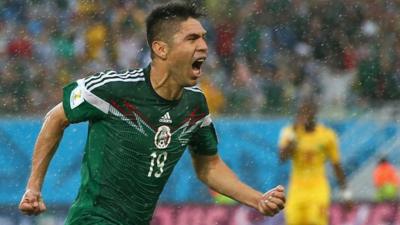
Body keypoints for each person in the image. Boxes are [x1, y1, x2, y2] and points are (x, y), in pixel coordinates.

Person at [19, 3, 285, 225]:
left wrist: (257, 199)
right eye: (192, 38)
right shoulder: (113, 89)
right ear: (161, 49)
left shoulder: (195, 105)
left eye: (204, 37)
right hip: (93, 219)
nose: (204, 46)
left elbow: (209, 166)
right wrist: (33, 187)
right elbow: (56, 117)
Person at [278, 99, 349, 225]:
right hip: (296, 188)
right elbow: (282, 158)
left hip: (318, 188)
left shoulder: (327, 135)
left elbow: (336, 165)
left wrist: (346, 193)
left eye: (307, 112)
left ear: (314, 113)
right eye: (301, 112)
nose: (304, 115)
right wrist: (294, 136)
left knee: (316, 222)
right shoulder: (290, 132)